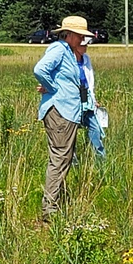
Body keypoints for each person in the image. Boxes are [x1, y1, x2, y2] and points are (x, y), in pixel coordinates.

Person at [33, 16, 98, 220]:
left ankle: (53, 204)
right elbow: (40, 69)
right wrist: (53, 88)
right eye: (80, 36)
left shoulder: (69, 52)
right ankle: (50, 209)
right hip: (60, 111)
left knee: (64, 158)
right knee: (60, 158)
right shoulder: (59, 49)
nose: (82, 40)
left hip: (69, 111)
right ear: (68, 35)